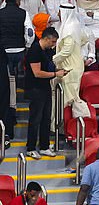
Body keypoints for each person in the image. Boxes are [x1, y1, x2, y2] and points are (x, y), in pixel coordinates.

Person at [24, 26, 61, 160]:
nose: (54, 45)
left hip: (45, 88)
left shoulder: (47, 51)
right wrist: (55, 74)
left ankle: (44, 146)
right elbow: (37, 73)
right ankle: (31, 147)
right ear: (46, 39)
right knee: (35, 119)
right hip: (35, 89)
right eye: (52, 42)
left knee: (46, 118)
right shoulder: (34, 51)